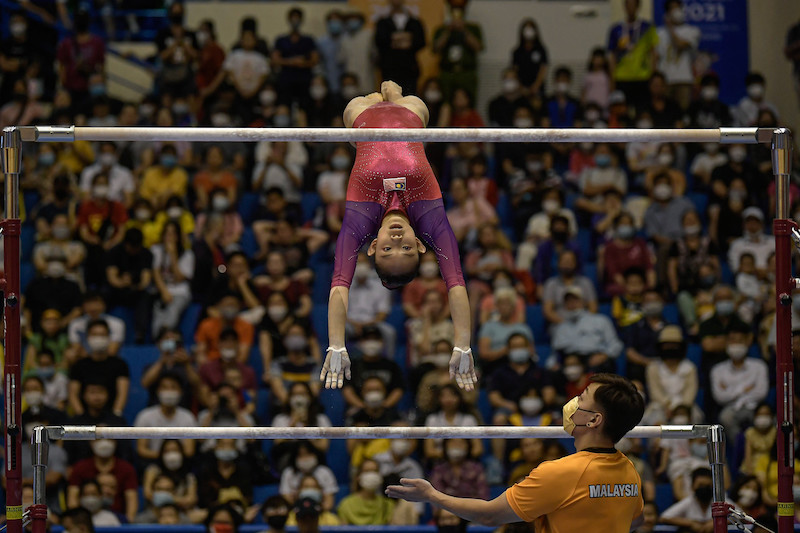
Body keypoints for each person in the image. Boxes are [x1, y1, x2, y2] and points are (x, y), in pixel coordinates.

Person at [323, 80, 475, 391]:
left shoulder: (360, 219)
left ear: (373, 246)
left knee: (355, 106)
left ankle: (379, 97)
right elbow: (455, 282)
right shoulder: (430, 218)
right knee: (412, 103)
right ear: (420, 244)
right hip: (411, 115)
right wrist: (463, 344)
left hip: (362, 120)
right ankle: (393, 96)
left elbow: (340, 284)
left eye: (386, 249)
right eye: (405, 247)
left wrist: (336, 344)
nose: (395, 240)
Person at [386, 374, 646, 533]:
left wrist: (433, 495)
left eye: (582, 398)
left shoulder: (559, 472)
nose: (573, 402)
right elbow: (634, 522)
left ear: (593, 420)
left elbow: (489, 515)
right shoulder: (629, 470)